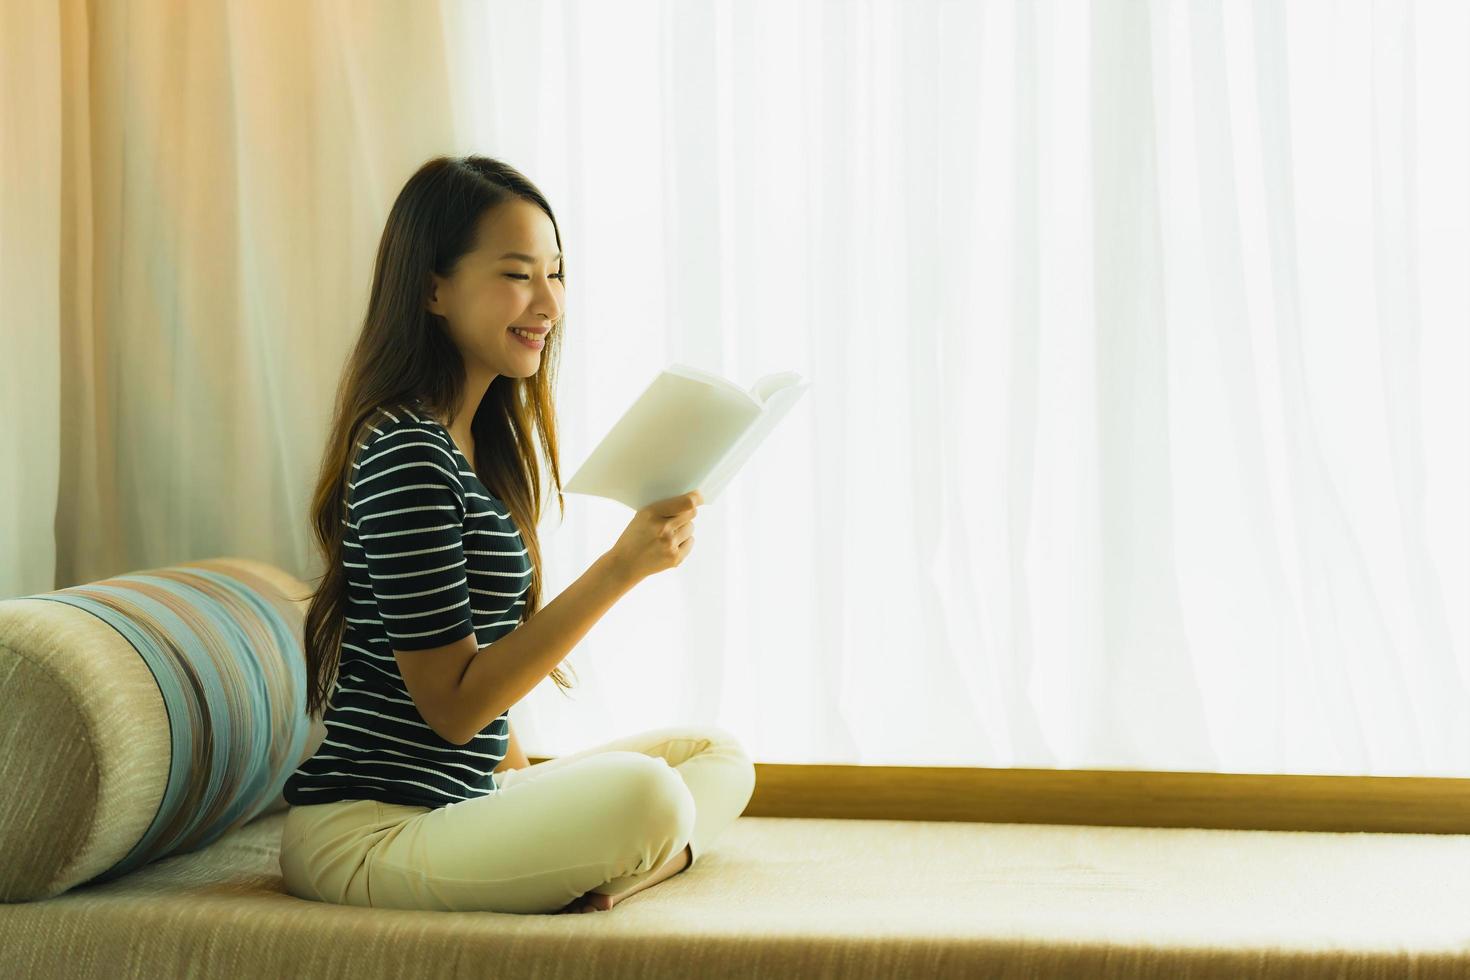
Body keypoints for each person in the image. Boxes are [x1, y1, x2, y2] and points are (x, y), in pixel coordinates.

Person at [278, 155, 756, 915]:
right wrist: (621, 568)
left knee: (716, 757)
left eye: (556, 274)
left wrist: (523, 792)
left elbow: (488, 715)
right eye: (517, 274)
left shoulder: (472, 444)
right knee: (651, 796)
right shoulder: (406, 451)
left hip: (462, 800)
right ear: (434, 287)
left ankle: (617, 873)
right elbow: (455, 707)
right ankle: (630, 863)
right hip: (371, 832)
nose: (548, 303)